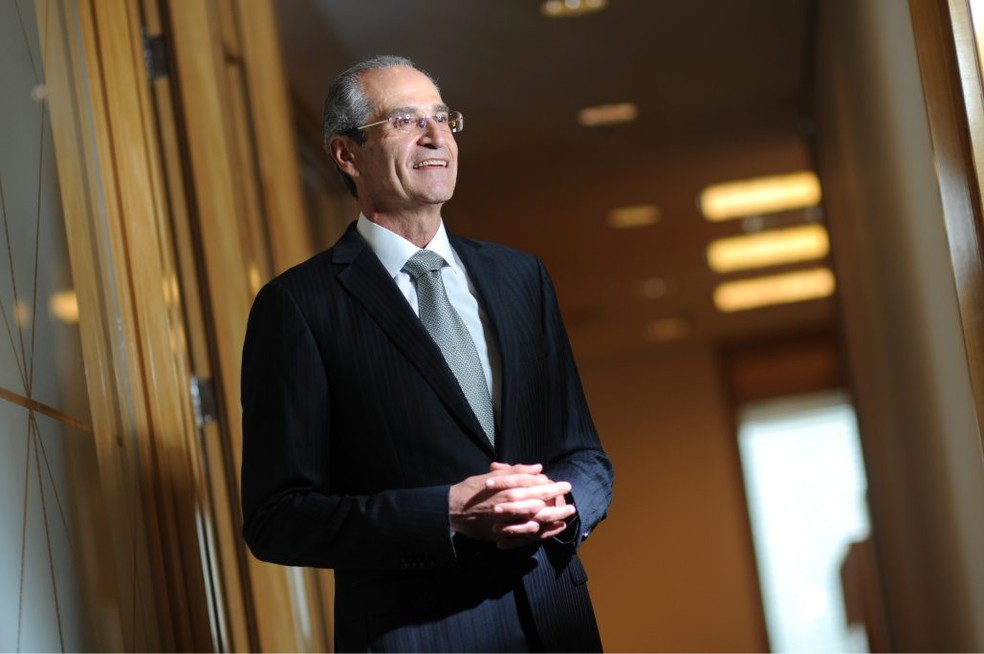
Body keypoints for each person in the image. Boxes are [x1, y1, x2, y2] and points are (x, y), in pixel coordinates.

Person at [240, 54, 613, 653]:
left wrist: (558, 505)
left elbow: (586, 456)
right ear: (346, 154)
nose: (436, 135)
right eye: (405, 120)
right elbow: (277, 519)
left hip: (558, 624)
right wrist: (447, 513)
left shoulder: (522, 277)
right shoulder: (298, 307)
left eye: (443, 117)